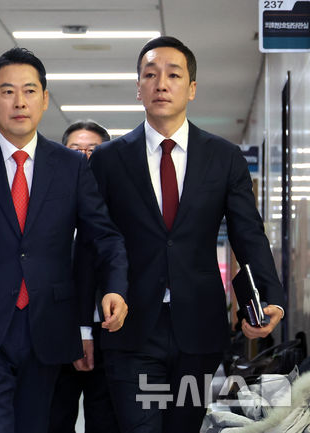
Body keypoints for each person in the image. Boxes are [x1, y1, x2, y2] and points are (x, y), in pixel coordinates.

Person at [0, 47, 129, 433]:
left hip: (46, 326)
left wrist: (115, 288)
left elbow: (105, 235)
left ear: (45, 99)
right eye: (7, 91)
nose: (19, 102)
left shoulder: (71, 167)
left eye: (30, 91)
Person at [88, 36, 285, 433]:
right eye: (150, 75)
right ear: (138, 87)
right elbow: (96, 240)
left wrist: (270, 296)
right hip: (130, 327)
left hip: (198, 328)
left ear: (192, 88)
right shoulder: (109, 159)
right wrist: (83, 323)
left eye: (174, 75)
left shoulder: (223, 157)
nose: (161, 84)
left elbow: (248, 233)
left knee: (184, 425)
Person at [49, 120, 119, 433]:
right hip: (55, 333)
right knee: (53, 420)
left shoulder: (120, 210)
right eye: (75, 150)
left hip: (111, 335)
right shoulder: (45, 205)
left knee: (105, 421)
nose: (84, 157)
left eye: (93, 150)